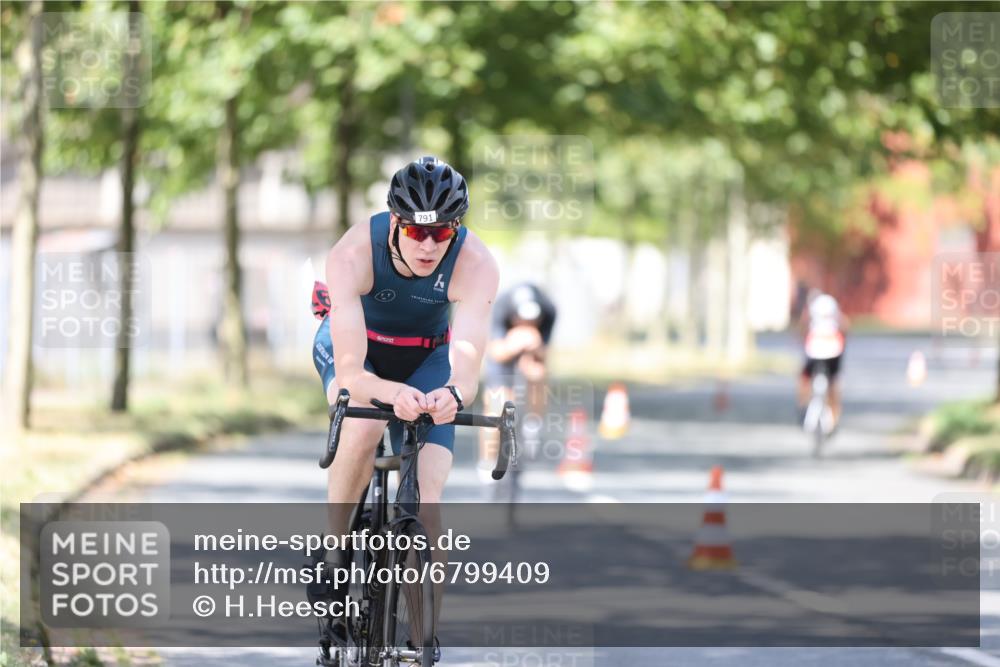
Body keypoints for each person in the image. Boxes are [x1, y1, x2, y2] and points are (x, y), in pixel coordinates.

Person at [310, 156, 499, 663]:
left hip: (429, 354)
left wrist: (454, 394)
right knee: (363, 424)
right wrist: (391, 394)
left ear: (456, 229)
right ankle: (333, 556)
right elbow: (351, 373)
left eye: (442, 235)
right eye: (417, 231)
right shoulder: (353, 253)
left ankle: (422, 635)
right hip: (361, 351)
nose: (428, 245)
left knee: (430, 488)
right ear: (395, 222)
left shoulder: (477, 263)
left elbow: (467, 356)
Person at [478, 283, 557, 479]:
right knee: (496, 403)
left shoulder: (549, 310)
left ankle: (533, 423)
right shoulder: (501, 306)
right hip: (505, 348)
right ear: (513, 316)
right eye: (521, 320)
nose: (527, 324)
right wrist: (513, 345)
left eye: (532, 321)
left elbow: (545, 354)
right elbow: (495, 352)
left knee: (538, 375)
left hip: (532, 350)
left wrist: (535, 349)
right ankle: (487, 461)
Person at [797, 292, 849, 427]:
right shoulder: (834, 307)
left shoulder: (812, 308)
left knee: (805, 377)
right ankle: (835, 415)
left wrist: (801, 339)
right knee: (833, 381)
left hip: (815, 347)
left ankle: (803, 406)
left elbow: (804, 325)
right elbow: (844, 325)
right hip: (834, 347)